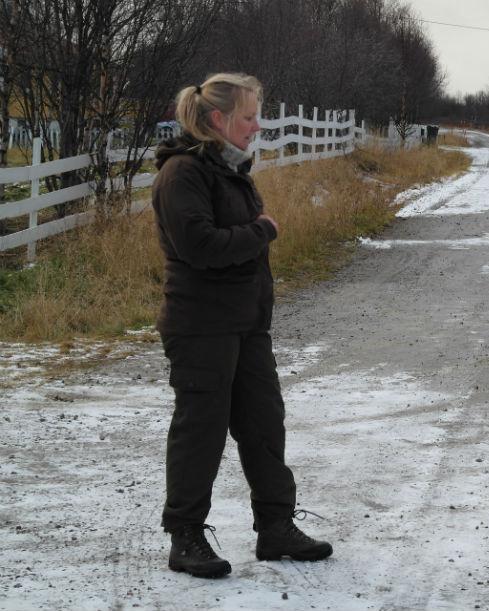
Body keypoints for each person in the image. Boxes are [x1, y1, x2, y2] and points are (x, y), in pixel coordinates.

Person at [151, 72, 332, 578]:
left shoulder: (232, 170)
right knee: (201, 430)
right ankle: (185, 537)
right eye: (250, 117)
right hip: (200, 325)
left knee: (263, 423)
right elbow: (200, 247)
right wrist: (262, 230)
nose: (258, 126)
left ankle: (275, 528)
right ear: (218, 119)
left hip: (248, 324)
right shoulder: (182, 173)